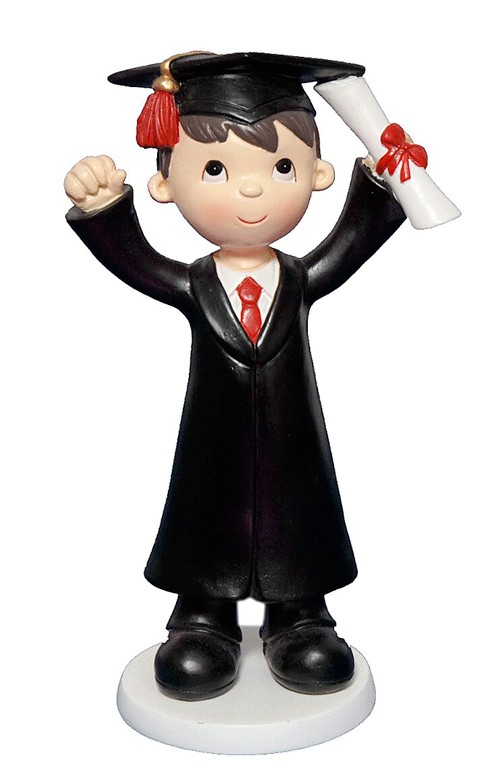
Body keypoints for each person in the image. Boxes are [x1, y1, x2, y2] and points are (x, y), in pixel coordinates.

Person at [64, 52, 406, 701]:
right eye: (216, 169)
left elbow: (352, 243)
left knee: (298, 511)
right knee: (204, 509)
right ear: (165, 184)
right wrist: (105, 209)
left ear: (319, 173)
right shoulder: (194, 285)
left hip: (293, 436)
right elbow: (137, 263)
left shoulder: (299, 280)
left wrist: (385, 179)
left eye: (282, 168)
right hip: (212, 439)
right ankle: (202, 616)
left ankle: (300, 613)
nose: (251, 191)